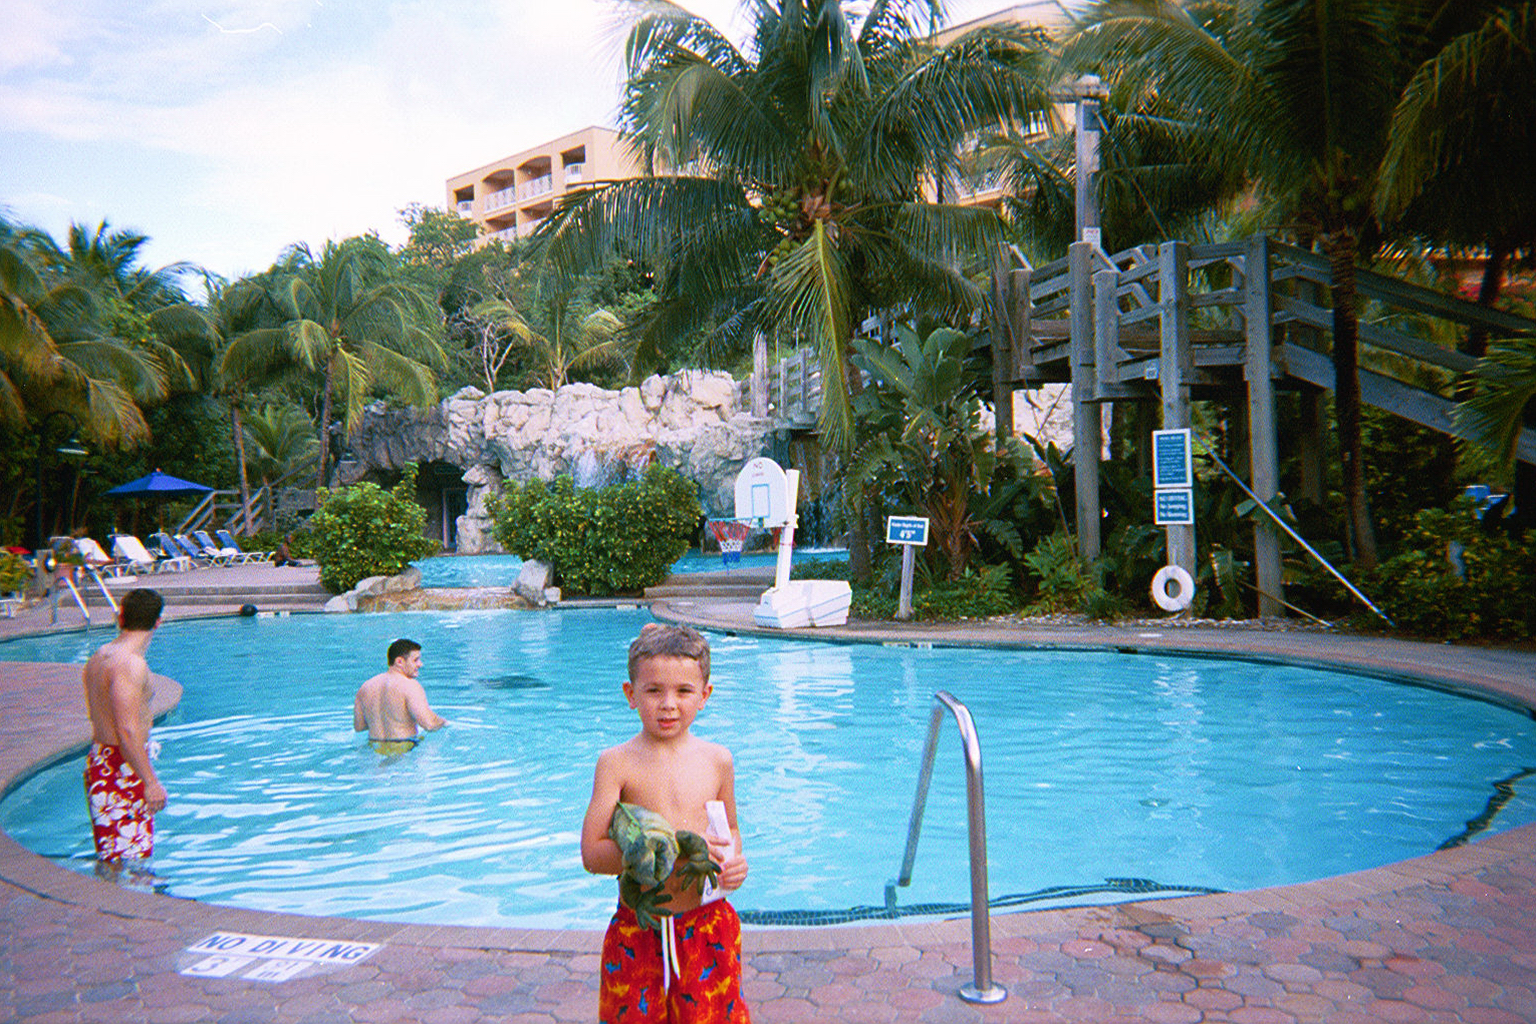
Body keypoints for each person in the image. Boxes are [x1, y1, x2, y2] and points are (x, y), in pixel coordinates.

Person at [581, 623, 750, 1023]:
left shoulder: (717, 760)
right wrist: (663, 853)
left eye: (684, 691)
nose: (668, 704)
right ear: (631, 695)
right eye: (653, 690)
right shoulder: (616, 762)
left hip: (708, 927)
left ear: (705, 696)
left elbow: (730, 830)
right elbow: (592, 853)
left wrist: (732, 862)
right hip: (639, 928)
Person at [81, 588, 166, 872]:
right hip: (122, 766)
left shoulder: (101, 655)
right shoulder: (130, 664)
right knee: (131, 863)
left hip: (102, 760)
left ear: (120, 617)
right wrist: (151, 782)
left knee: (117, 857)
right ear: (158, 622)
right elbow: (127, 732)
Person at [353, 638, 446, 754]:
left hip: (374, 748)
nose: (420, 664)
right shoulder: (410, 686)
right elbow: (429, 724)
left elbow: (359, 727)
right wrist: (443, 723)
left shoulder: (365, 687)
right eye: (416, 660)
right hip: (404, 748)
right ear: (399, 661)